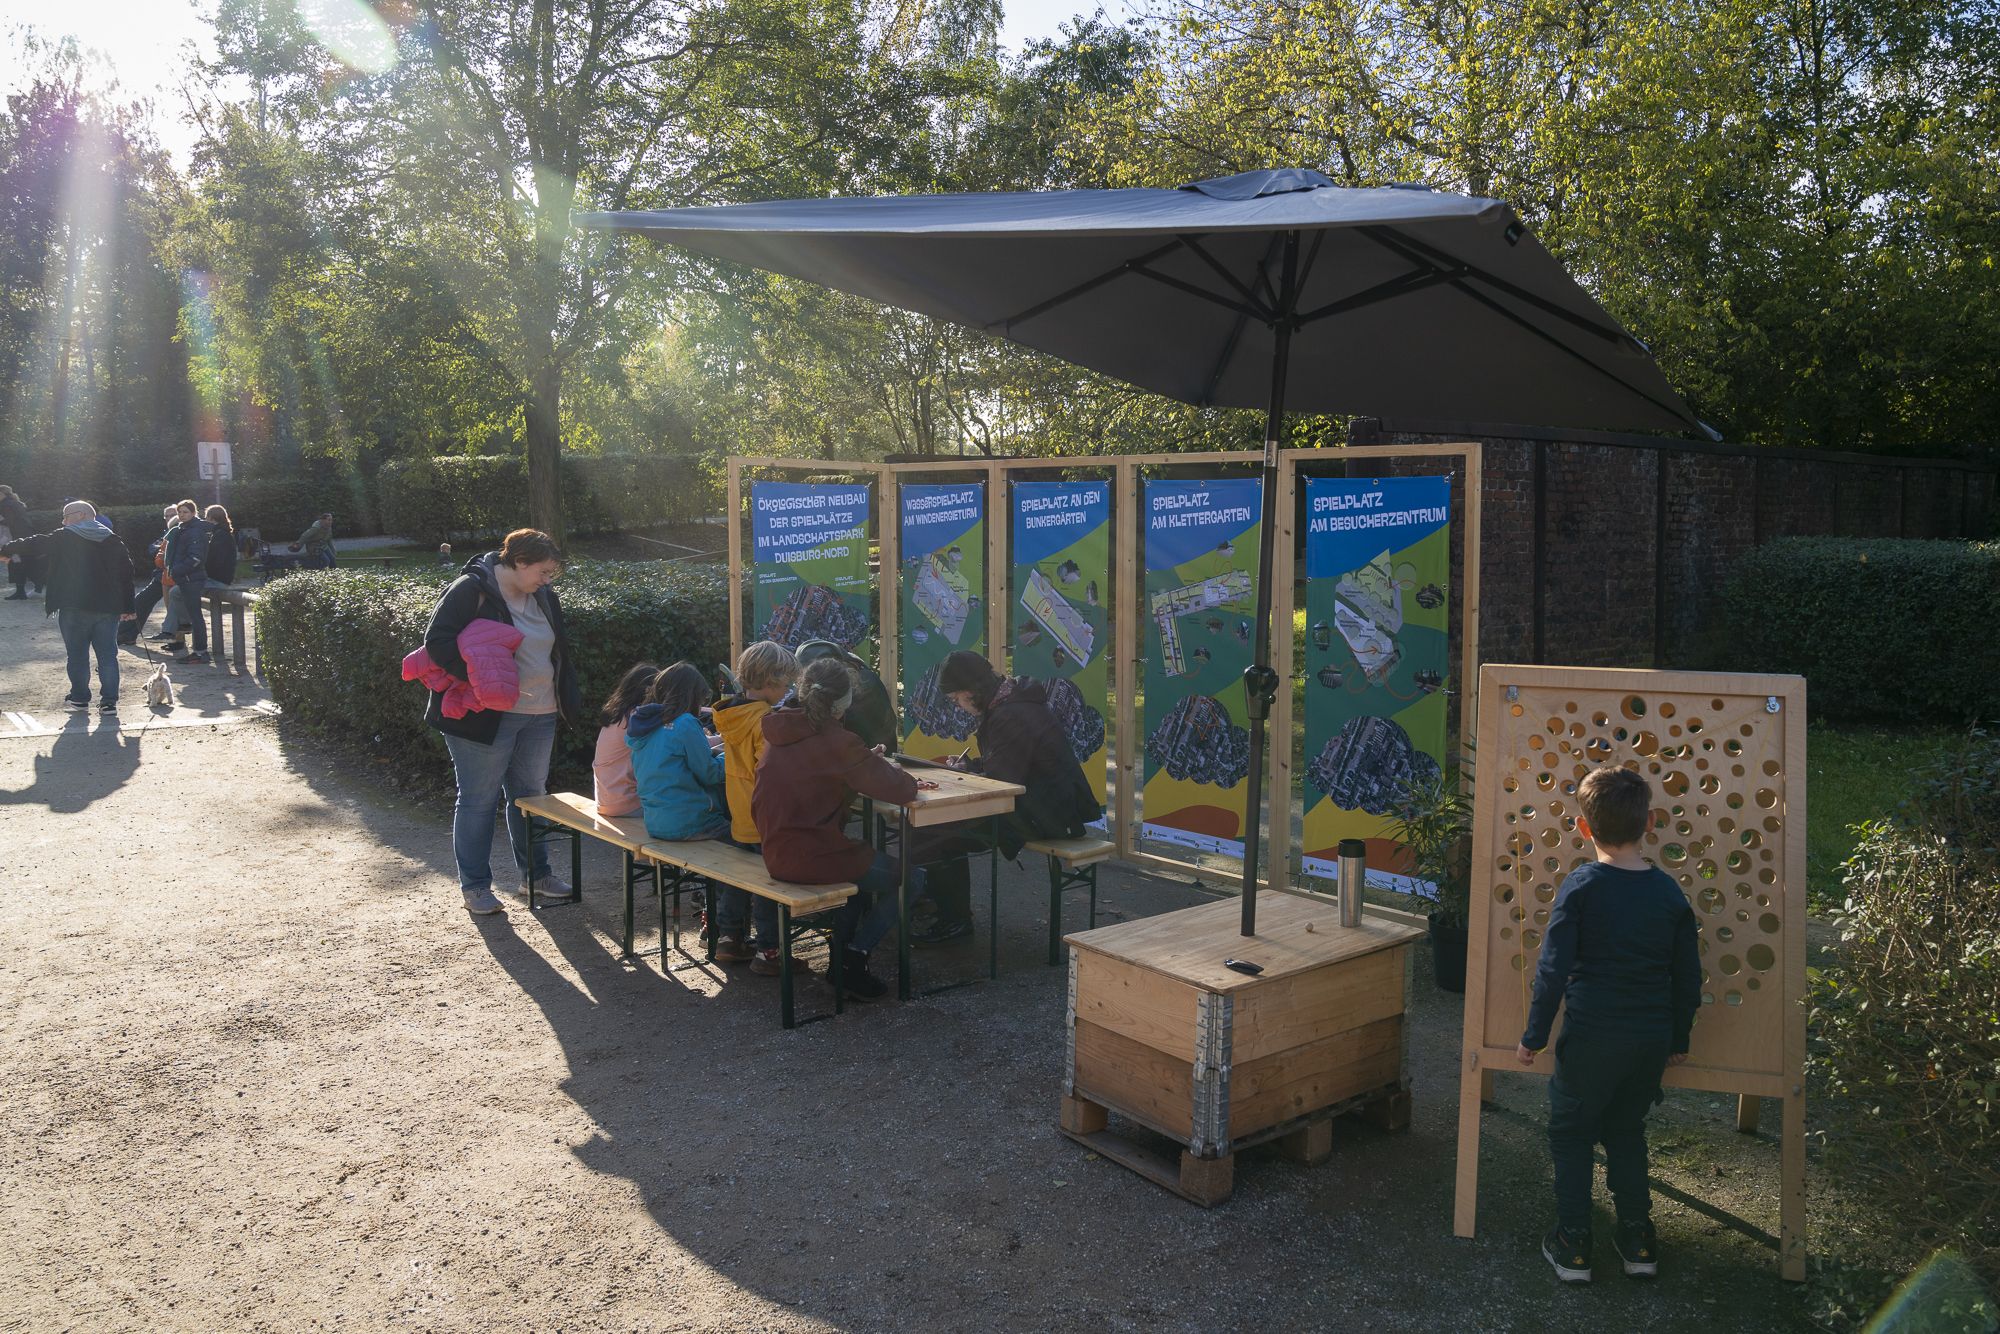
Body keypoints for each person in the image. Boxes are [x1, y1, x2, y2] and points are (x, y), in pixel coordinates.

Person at [1515, 765, 1701, 1284]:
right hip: (1649, 1040)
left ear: (1584, 827)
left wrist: (1534, 1037)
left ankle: (1574, 1243)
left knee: (1571, 1132)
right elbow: (1688, 976)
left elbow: (1552, 970)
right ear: (1650, 822)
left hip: (1591, 1037)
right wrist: (1679, 1038)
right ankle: (1638, 1240)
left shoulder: (1581, 887)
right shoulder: (1669, 894)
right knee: (1625, 1130)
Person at [422, 528, 580, 915]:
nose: (547, 580)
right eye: (543, 572)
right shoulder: (469, 589)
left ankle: (536, 876)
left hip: (541, 714)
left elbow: (557, 650)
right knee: (478, 800)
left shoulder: (544, 595)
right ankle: (476, 887)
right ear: (519, 562)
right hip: (484, 715)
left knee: (531, 797)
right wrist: (479, 681)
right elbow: (436, 641)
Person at [753, 657, 928, 1001]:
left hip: (775, 851)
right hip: (814, 855)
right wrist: (877, 765)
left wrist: (862, 760)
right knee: (913, 878)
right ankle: (853, 957)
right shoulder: (837, 741)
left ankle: (844, 959)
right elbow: (901, 789)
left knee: (856, 885)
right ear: (844, 703)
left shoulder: (780, 730)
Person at [908, 650, 1102, 946]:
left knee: (934, 830)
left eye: (956, 699)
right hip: (1042, 805)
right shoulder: (1010, 703)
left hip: (1047, 815)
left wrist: (966, 775)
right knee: (932, 827)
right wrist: (969, 767)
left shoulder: (1010, 714)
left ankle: (953, 919)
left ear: (971, 691)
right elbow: (1007, 763)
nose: (958, 705)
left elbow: (1002, 782)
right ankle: (940, 906)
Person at [712, 641, 804, 976]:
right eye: (785, 683)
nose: (787, 690)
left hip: (740, 813)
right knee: (768, 886)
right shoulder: (765, 721)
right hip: (765, 818)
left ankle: (729, 937)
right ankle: (769, 951)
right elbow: (772, 772)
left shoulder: (731, 715)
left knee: (739, 878)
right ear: (769, 681)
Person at [0, 501, 136, 711]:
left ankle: (80, 698)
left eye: (65, 516)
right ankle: (109, 702)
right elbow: (127, 574)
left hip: (74, 605)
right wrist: (128, 607)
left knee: (77, 655)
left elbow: (35, 543)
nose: (63, 521)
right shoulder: (113, 539)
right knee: (108, 655)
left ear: (81, 515)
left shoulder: (65, 536)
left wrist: (6, 549)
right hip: (108, 607)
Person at [592, 662, 659, 818]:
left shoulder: (617, 715)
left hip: (606, 802)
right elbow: (671, 745)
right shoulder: (636, 719)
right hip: (627, 805)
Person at [161, 500, 214, 664]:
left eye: (185, 512)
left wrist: (177, 570)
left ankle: (200, 652)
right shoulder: (183, 529)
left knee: (196, 617)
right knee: (178, 598)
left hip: (191, 578)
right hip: (186, 577)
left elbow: (196, 558)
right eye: (180, 512)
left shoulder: (194, 531)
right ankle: (184, 627)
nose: (182, 515)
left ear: (193, 513)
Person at [0, 484, 28, 598]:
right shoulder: (17, 503)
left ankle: (20, 592)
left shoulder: (6, 505)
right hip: (22, 537)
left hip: (13, 539)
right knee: (19, 562)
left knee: (16, 562)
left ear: (2, 493)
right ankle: (21, 591)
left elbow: (9, 522)